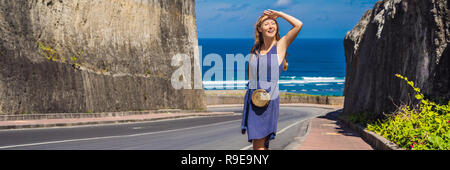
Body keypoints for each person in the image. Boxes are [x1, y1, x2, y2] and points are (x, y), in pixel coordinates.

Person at [241, 9, 303, 150]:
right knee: (261, 143)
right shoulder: (255, 49)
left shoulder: (280, 46)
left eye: (273, 23)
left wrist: (279, 14)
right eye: (266, 24)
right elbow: (250, 74)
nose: (270, 26)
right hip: (253, 98)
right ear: (260, 29)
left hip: (267, 100)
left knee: (258, 143)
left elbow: (298, 25)